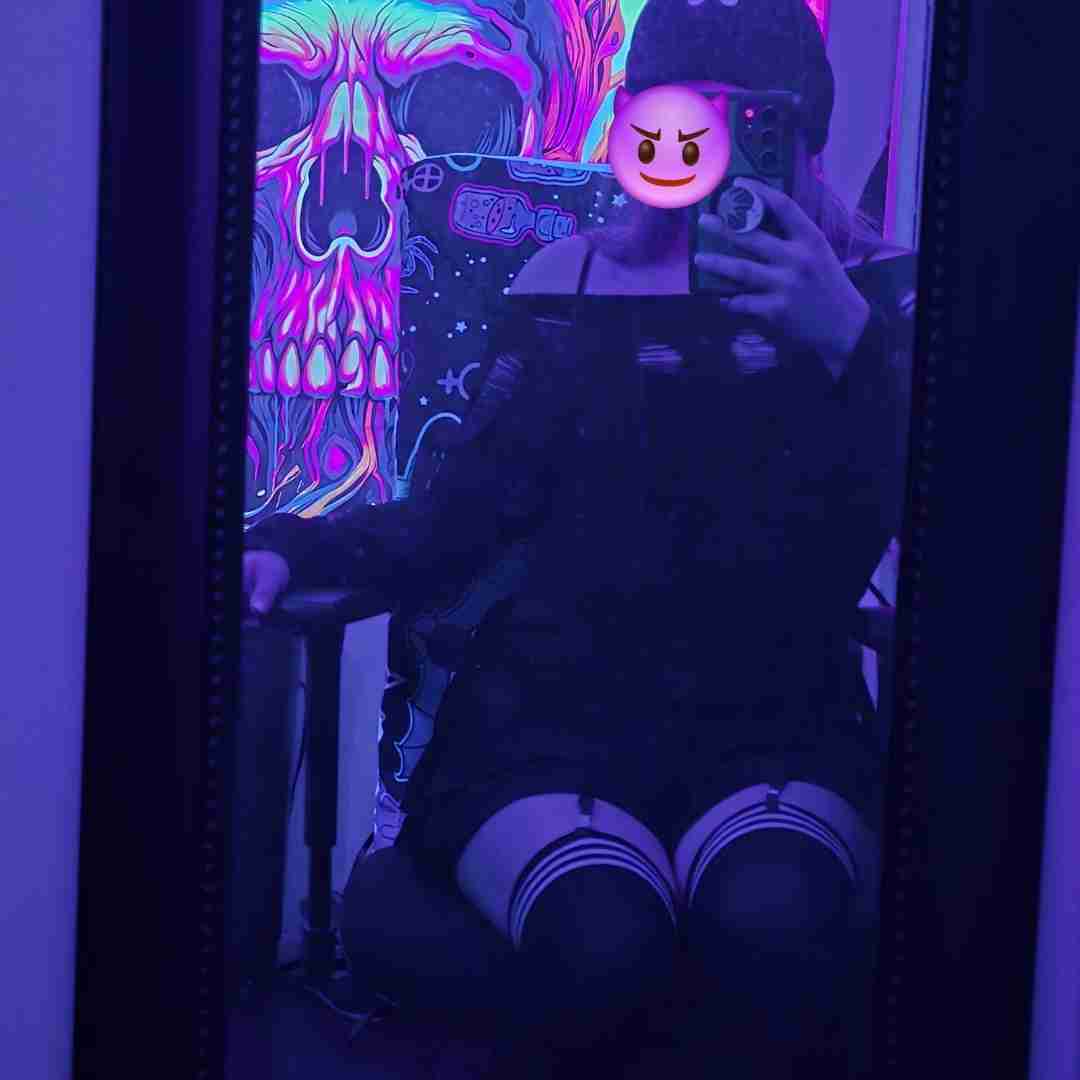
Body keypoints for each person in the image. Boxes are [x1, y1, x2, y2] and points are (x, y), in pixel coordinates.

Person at [243, 0, 911, 1075]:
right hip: (556, 719)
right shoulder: (573, 280)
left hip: (779, 717)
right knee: (601, 940)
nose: (714, 146)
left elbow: (958, 530)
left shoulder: (879, 303)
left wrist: (847, 340)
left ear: (805, 133)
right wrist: (294, 547)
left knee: (772, 924)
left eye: (754, 119)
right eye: (687, 115)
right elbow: (456, 517)